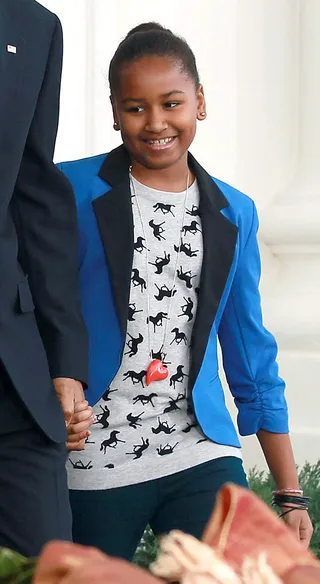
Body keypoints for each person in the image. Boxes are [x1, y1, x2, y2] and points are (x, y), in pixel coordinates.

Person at [60, 22, 313, 560]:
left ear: (199, 102)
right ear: (114, 111)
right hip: (92, 456)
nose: (156, 123)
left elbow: (250, 350)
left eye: (171, 102)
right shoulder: (68, 192)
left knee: (239, 571)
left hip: (198, 447)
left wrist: (290, 493)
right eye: (135, 107)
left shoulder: (233, 212)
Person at [0, 0, 89, 557]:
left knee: (49, 563)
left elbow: (35, 197)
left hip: (14, 377)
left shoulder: (33, 26)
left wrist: (64, 363)